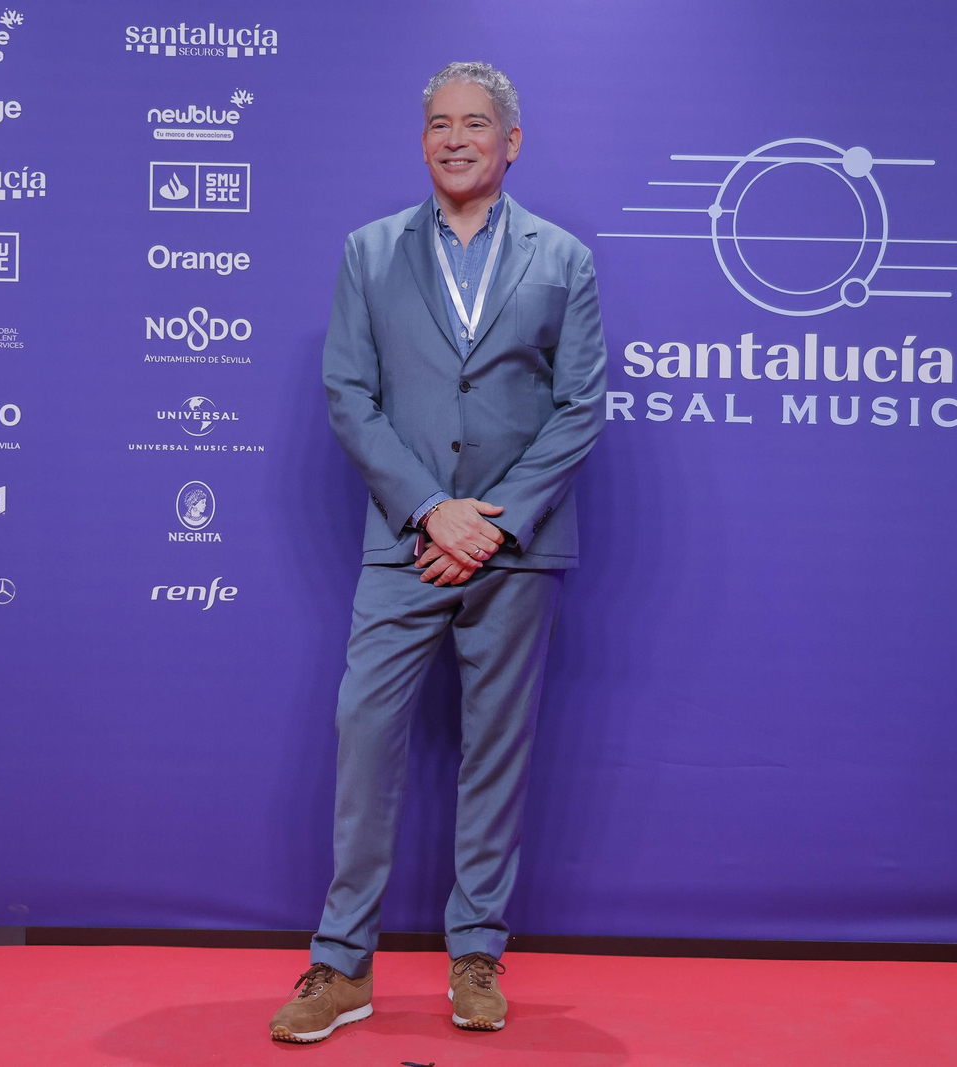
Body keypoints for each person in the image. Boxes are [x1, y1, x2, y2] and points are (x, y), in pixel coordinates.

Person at [269, 61, 607, 1043]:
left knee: (494, 752)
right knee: (363, 736)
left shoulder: (564, 259)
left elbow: (579, 407)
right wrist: (430, 508)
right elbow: (349, 393)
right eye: (437, 124)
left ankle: (476, 954)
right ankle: (340, 964)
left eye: (475, 123)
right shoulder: (369, 253)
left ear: (511, 142)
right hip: (403, 543)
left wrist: (494, 523)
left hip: (514, 549)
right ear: (422, 142)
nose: (455, 137)